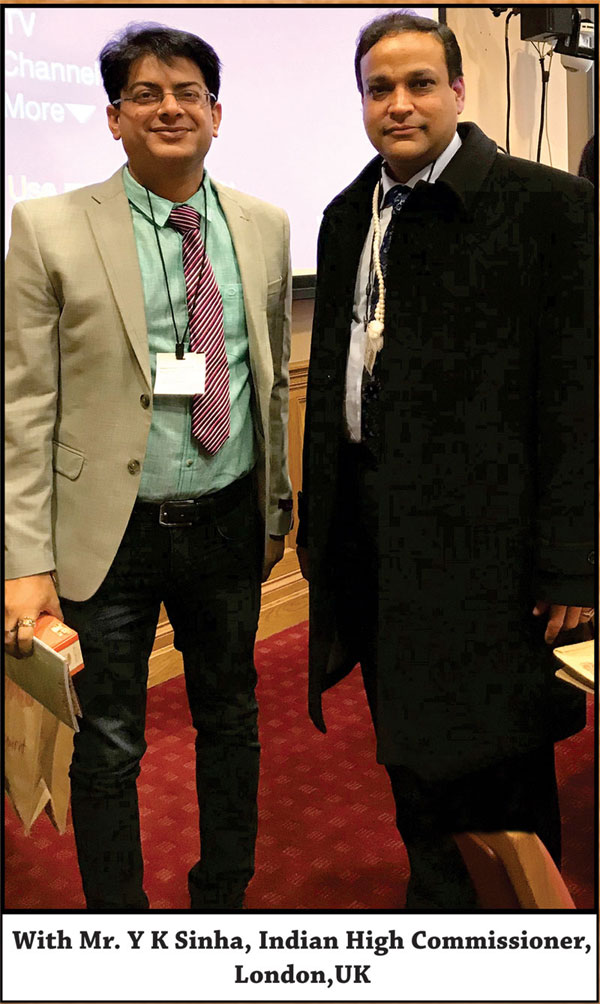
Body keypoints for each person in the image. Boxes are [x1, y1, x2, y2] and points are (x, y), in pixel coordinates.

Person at [297, 12, 594, 910]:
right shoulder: (346, 215)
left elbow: (578, 394)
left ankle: (516, 938)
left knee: (498, 766)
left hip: (493, 553)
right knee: (411, 754)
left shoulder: (546, 207)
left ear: (458, 91)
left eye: (420, 83)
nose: (399, 103)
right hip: (376, 542)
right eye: (379, 88)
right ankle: (436, 910)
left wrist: (574, 559)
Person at [5, 22, 293, 911]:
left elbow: (271, 381)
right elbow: (23, 407)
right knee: (108, 744)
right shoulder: (48, 227)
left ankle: (223, 898)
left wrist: (276, 510)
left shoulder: (264, 224)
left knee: (232, 719)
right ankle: (119, 929)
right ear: (113, 117)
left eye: (187, 94)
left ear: (216, 113)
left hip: (226, 522)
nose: (169, 108)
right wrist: (24, 561)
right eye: (145, 94)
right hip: (107, 537)